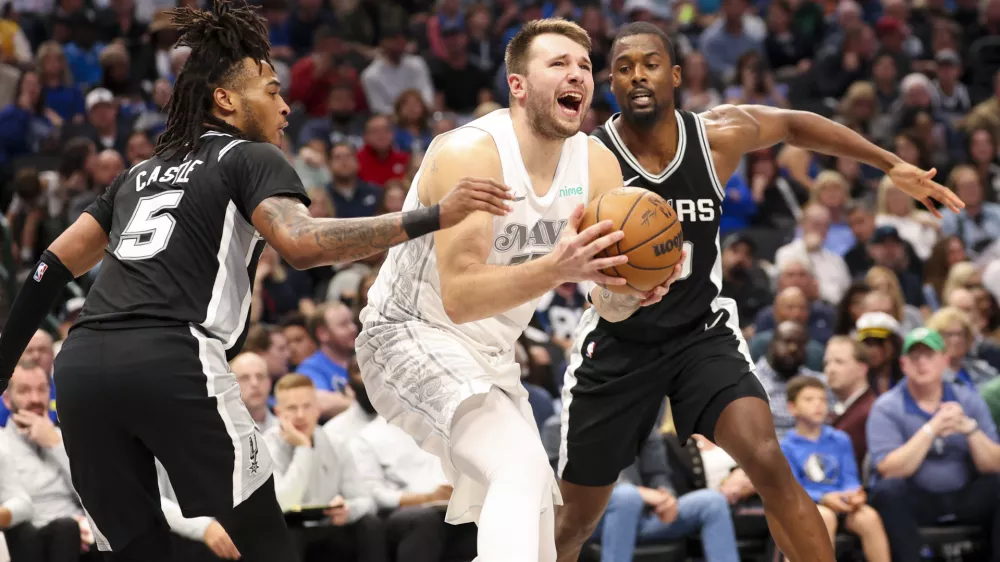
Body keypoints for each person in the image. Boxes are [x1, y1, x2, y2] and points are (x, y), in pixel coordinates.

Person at [0, 2, 511, 561]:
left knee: (137, 551)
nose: (286, 106)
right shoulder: (250, 155)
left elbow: (50, 265)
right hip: (172, 357)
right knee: (267, 546)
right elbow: (302, 243)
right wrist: (430, 216)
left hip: (80, 369)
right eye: (271, 91)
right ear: (226, 99)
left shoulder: (136, 175)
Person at [554, 21, 964, 562]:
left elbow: (795, 124)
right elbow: (565, 250)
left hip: (700, 335)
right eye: (624, 67)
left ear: (675, 75)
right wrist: (601, 278)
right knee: (576, 520)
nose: (637, 76)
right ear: (611, 83)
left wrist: (891, 165)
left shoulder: (716, 135)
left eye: (650, 63)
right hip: (618, 341)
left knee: (769, 461)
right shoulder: (588, 157)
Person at [357, 18, 683, 562]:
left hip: (490, 355)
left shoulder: (597, 163)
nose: (577, 74)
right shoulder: (471, 153)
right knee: (519, 466)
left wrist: (633, 291)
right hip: (409, 332)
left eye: (584, 66)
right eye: (558, 64)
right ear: (518, 86)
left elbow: (604, 297)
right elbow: (460, 296)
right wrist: (559, 269)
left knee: (534, 522)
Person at [867, 328, 1000, 562]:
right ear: (903, 364)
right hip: (917, 500)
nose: (921, 363)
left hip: (963, 496)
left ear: (945, 360)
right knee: (886, 491)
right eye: (915, 357)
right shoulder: (886, 407)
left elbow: (994, 464)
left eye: (929, 355)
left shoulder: (967, 398)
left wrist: (970, 430)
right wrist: (931, 429)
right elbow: (889, 469)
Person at [780, 375, 891, 562]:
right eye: (809, 400)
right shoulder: (785, 447)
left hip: (841, 502)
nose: (818, 405)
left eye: (822, 399)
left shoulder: (840, 439)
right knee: (824, 517)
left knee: (869, 517)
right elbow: (792, 490)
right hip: (809, 506)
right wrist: (823, 498)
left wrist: (854, 493)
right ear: (792, 408)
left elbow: (850, 477)